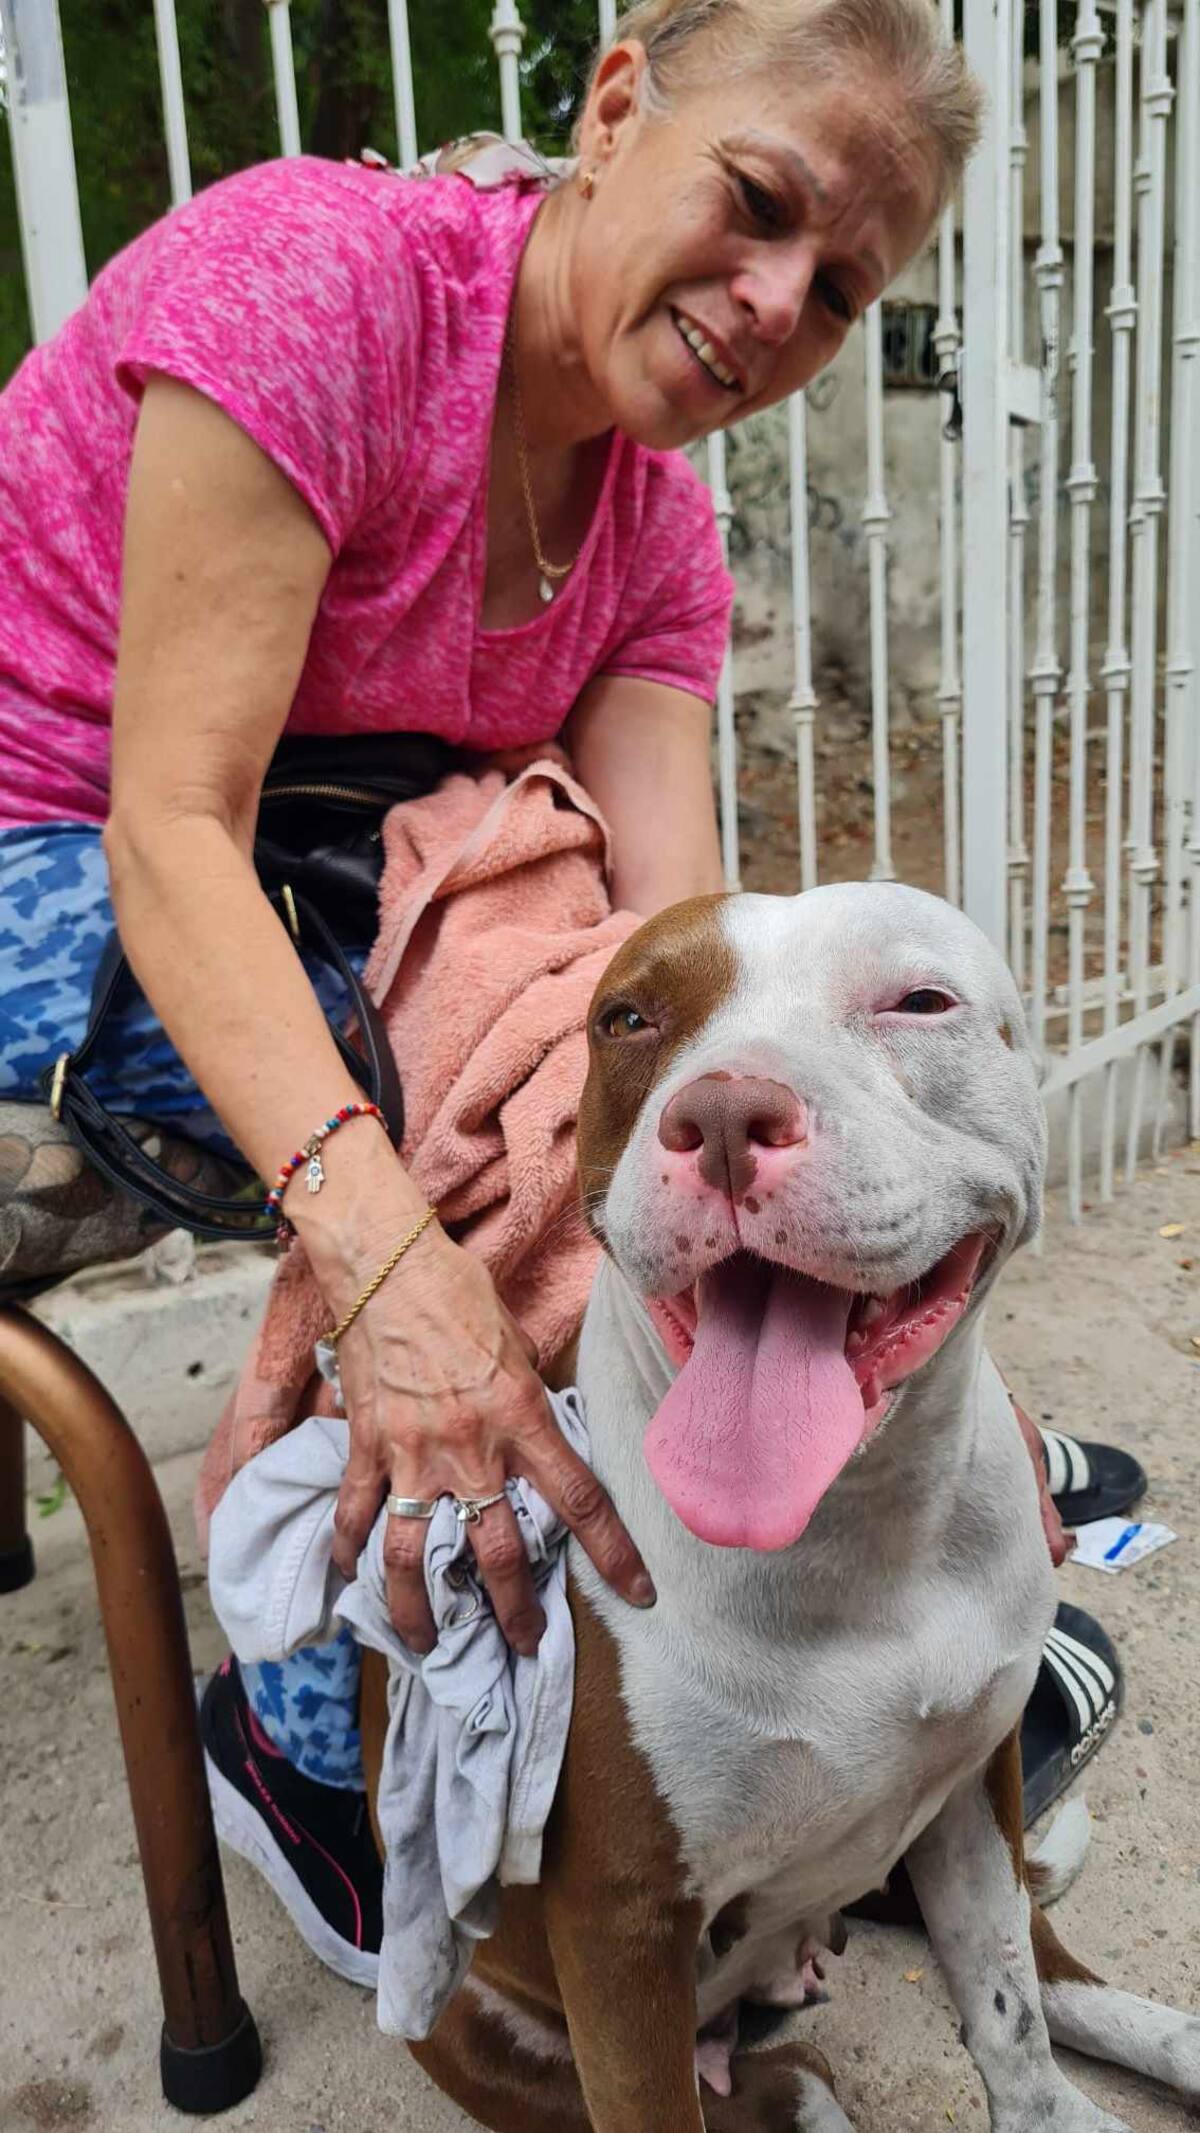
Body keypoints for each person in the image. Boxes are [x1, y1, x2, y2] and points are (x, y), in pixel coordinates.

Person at [0, 0, 1133, 1986]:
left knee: (587, 1062)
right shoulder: (320, 282)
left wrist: (892, 1349)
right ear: (615, 106)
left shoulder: (658, 518)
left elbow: (676, 969)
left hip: (352, 871)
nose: (776, 301)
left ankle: (822, 1585)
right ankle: (329, 1734)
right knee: (460, 1095)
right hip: (63, 843)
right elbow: (171, 829)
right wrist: (388, 1268)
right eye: (758, 201)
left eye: (840, 290)